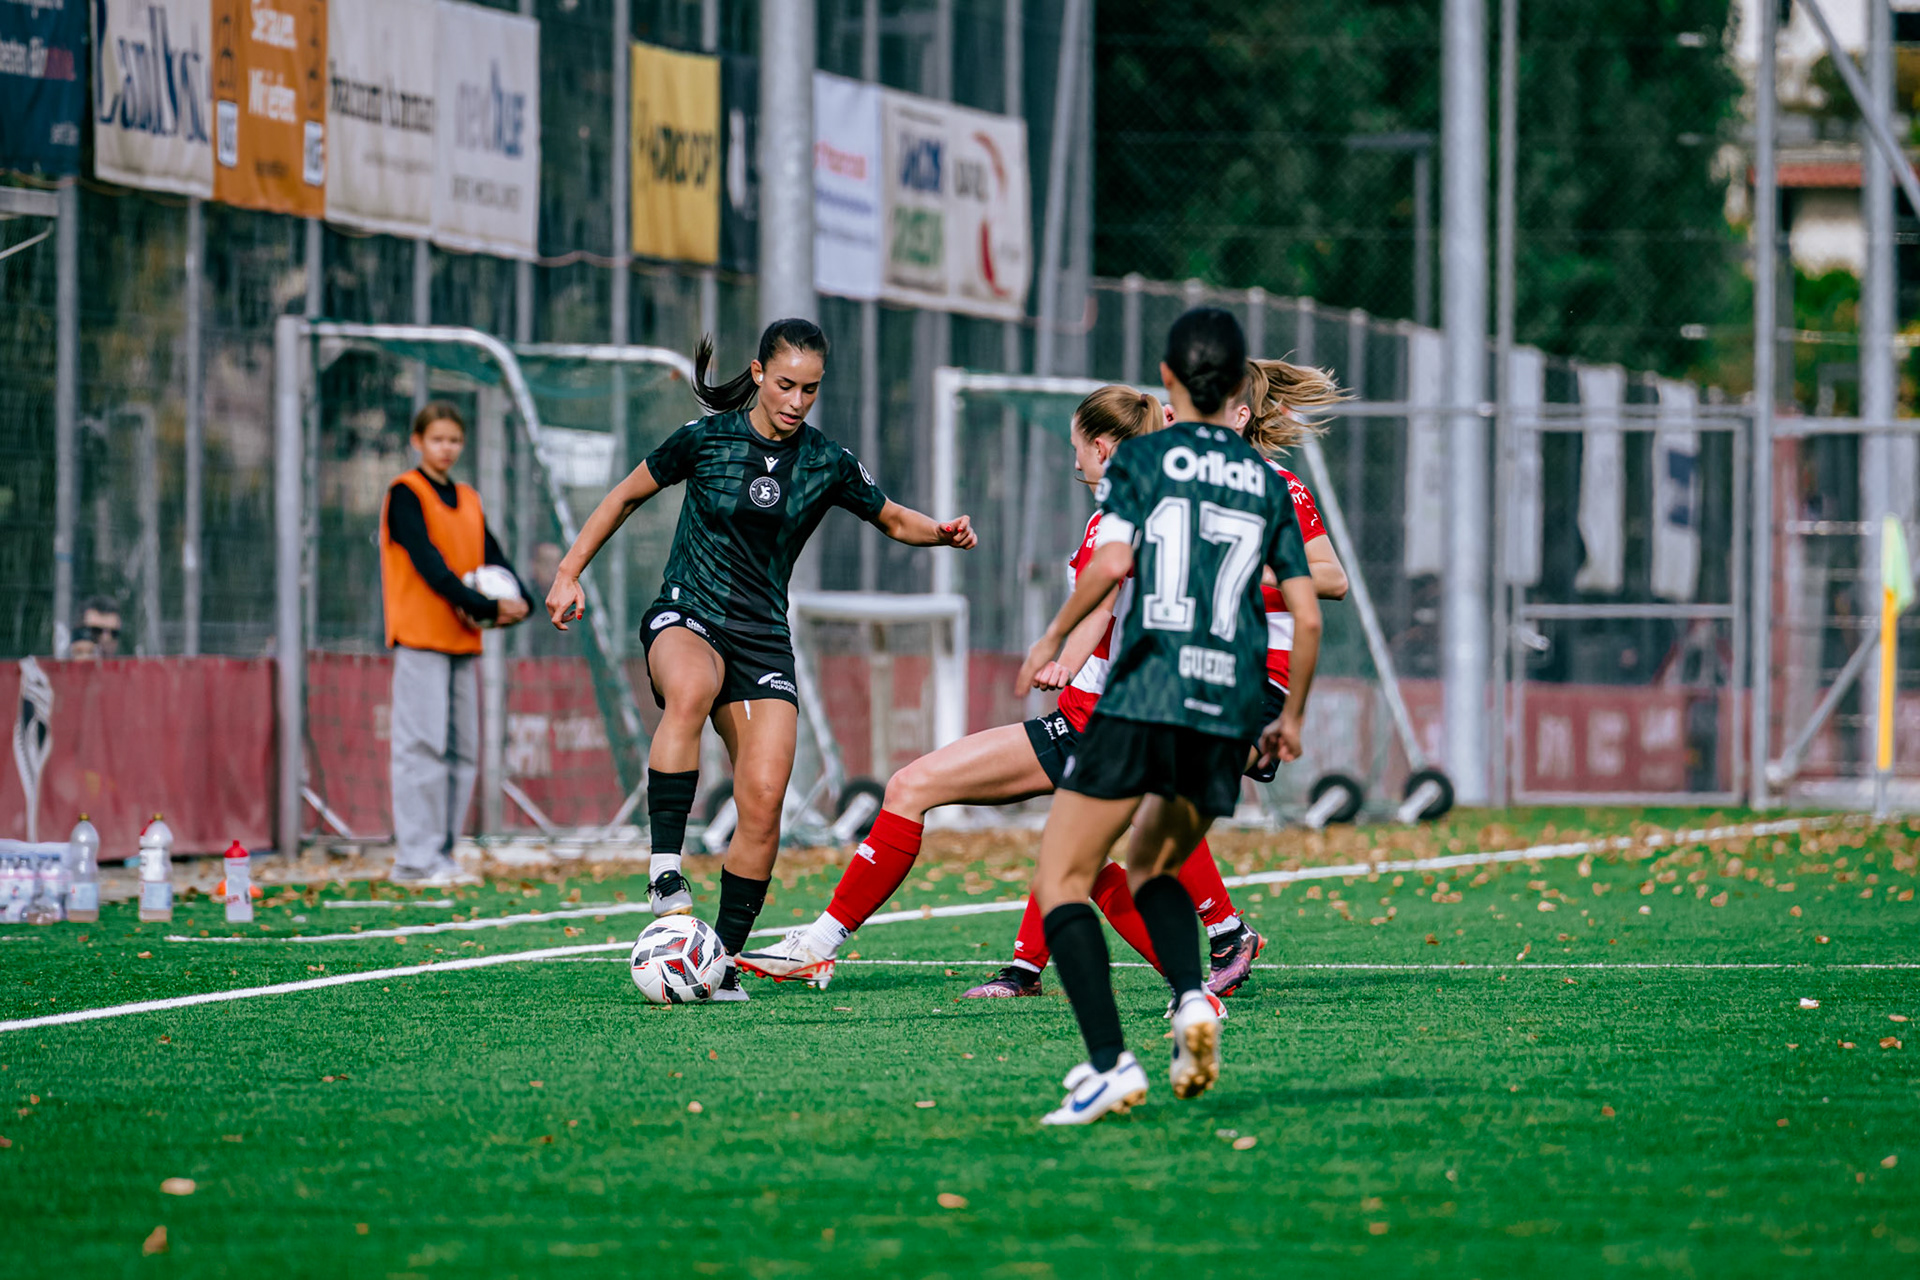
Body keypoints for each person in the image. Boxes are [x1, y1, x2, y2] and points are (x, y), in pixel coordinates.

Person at [544, 318, 976, 1001]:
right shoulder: (704, 440)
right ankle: (664, 871)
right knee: (688, 692)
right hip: (688, 611)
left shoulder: (825, 461)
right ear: (757, 373)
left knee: (767, 798)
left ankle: (721, 961)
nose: (797, 400)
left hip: (761, 637)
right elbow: (625, 495)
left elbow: (891, 517)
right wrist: (570, 572)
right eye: (785, 384)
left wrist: (941, 532)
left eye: (810, 389)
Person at [959, 356, 1351, 1002]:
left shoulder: (1276, 486)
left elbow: (1329, 581)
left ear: (1237, 416)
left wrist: (1236, 574)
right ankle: (1052, 973)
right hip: (1188, 672)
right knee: (1103, 816)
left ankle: (1209, 951)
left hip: (1250, 676)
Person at [1017, 307, 1321, 1126]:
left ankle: (1111, 1065)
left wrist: (1053, 634)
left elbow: (1113, 561)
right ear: (1239, 388)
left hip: (1146, 694)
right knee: (1152, 867)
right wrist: (1288, 719)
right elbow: (1312, 611)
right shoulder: (1269, 482)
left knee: (1063, 879)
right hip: (1227, 711)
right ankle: (1191, 1000)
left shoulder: (1144, 458)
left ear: (1169, 381)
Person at [381, 401, 530, 887]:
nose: (446, 448)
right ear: (417, 441)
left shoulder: (468, 498)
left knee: (462, 750)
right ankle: (414, 859)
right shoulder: (405, 493)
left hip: (463, 642)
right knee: (419, 747)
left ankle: (442, 853)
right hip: (420, 638)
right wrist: (487, 607)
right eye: (437, 439)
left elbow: (494, 556)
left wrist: (521, 598)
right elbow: (431, 567)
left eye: (454, 440)